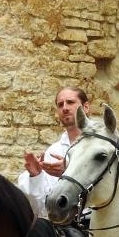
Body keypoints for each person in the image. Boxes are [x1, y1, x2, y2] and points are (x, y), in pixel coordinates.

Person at [17, 86, 91, 219]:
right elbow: (41, 209)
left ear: (86, 107)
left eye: (70, 102)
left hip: (98, 228)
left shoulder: (102, 143)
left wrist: (69, 170)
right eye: (60, 104)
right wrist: (36, 177)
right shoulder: (53, 152)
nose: (65, 108)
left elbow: (109, 188)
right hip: (62, 230)